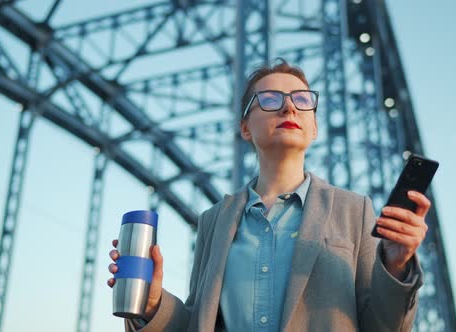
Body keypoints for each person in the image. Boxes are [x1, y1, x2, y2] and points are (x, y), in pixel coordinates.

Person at [108, 58, 430, 332]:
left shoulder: (353, 210)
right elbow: (198, 322)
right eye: (271, 99)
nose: (289, 106)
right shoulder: (213, 221)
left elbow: (383, 326)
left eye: (302, 100)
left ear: (314, 127)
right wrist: (153, 303)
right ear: (245, 128)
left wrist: (396, 265)